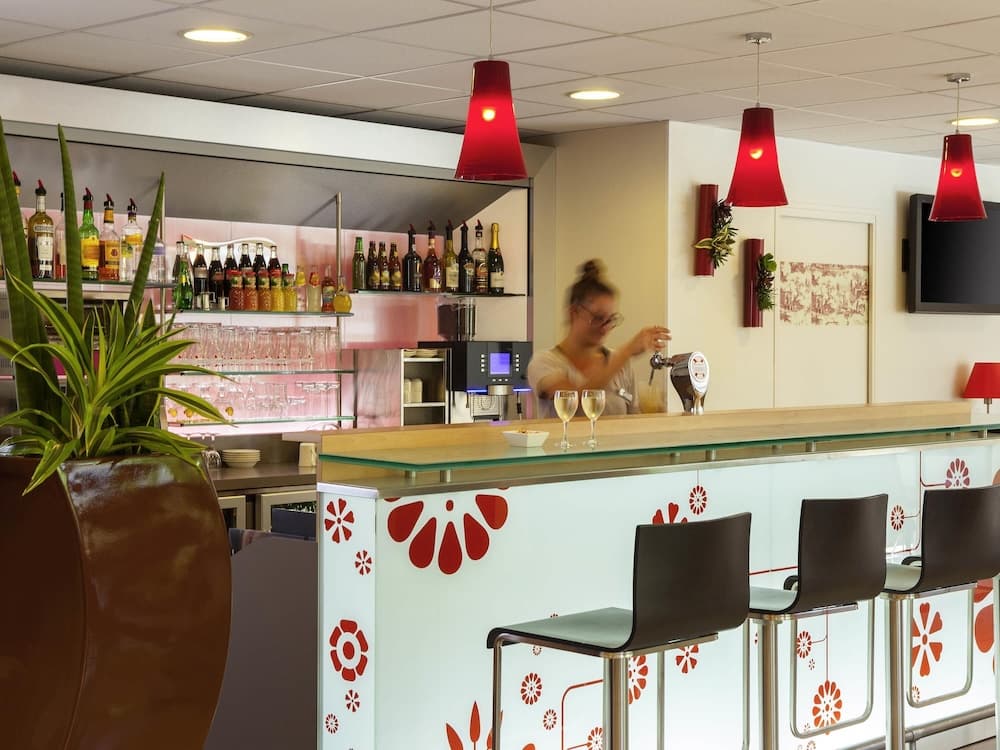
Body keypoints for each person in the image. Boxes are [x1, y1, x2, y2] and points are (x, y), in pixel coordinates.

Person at [527, 259, 671, 419]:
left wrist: (656, 415)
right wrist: (627, 352)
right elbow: (573, 402)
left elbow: (633, 419)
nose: (605, 327)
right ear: (573, 313)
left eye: (610, 319)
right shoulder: (544, 362)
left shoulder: (622, 366)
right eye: (598, 318)